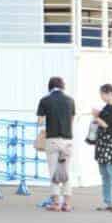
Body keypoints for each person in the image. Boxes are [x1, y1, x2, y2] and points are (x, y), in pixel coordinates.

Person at [36, 76, 75, 212]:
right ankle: (67, 204)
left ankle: (56, 203)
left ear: (50, 87)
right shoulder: (70, 101)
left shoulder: (45, 100)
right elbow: (71, 120)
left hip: (52, 140)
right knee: (65, 172)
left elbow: (40, 121)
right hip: (67, 140)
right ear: (62, 86)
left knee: (53, 172)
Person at [91, 83, 112, 212]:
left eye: (102, 94)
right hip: (102, 144)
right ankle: (107, 202)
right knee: (104, 174)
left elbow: (106, 124)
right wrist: (99, 114)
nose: (101, 97)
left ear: (109, 93)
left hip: (110, 144)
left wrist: (96, 116)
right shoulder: (107, 107)